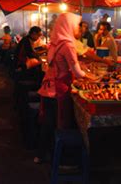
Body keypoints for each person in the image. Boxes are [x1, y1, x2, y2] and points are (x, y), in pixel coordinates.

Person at [35, 13, 93, 164]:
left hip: (48, 87)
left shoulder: (55, 42)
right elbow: (77, 72)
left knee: (48, 124)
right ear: (68, 26)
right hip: (58, 89)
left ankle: (41, 154)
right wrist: (91, 77)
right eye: (76, 25)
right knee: (59, 124)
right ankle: (60, 159)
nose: (78, 28)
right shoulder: (67, 45)